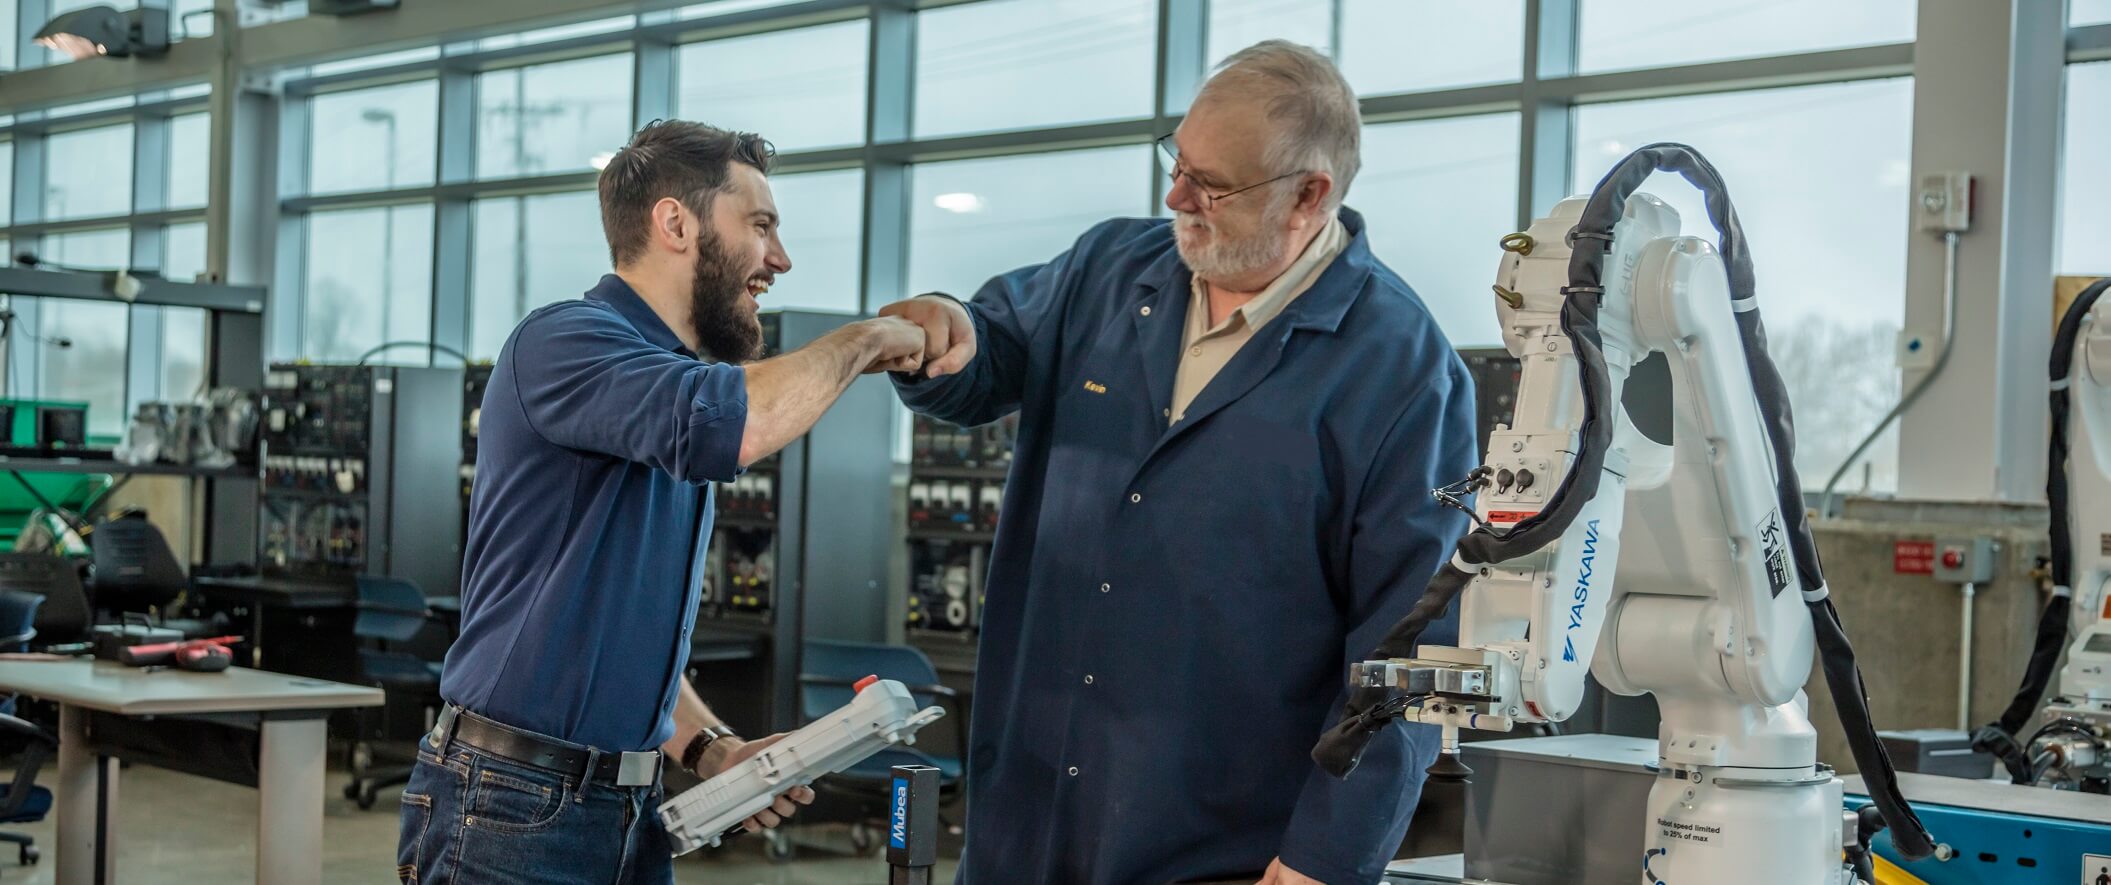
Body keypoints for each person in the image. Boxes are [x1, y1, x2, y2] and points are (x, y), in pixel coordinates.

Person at [880, 40, 1478, 885]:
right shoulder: (1107, 270)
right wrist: (943, 327)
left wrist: (1326, 856)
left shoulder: (1401, 369)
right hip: (1030, 813)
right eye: (1176, 163)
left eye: (1212, 185)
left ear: (1309, 194)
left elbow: (1407, 648)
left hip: (1219, 838)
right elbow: (990, 347)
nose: (1176, 197)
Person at [396, 120, 928, 885]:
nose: (779, 258)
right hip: (511, 803)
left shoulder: (661, 388)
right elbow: (737, 422)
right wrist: (869, 338)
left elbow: (616, 633)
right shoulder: (565, 341)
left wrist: (710, 747)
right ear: (675, 223)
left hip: (625, 808)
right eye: (761, 226)